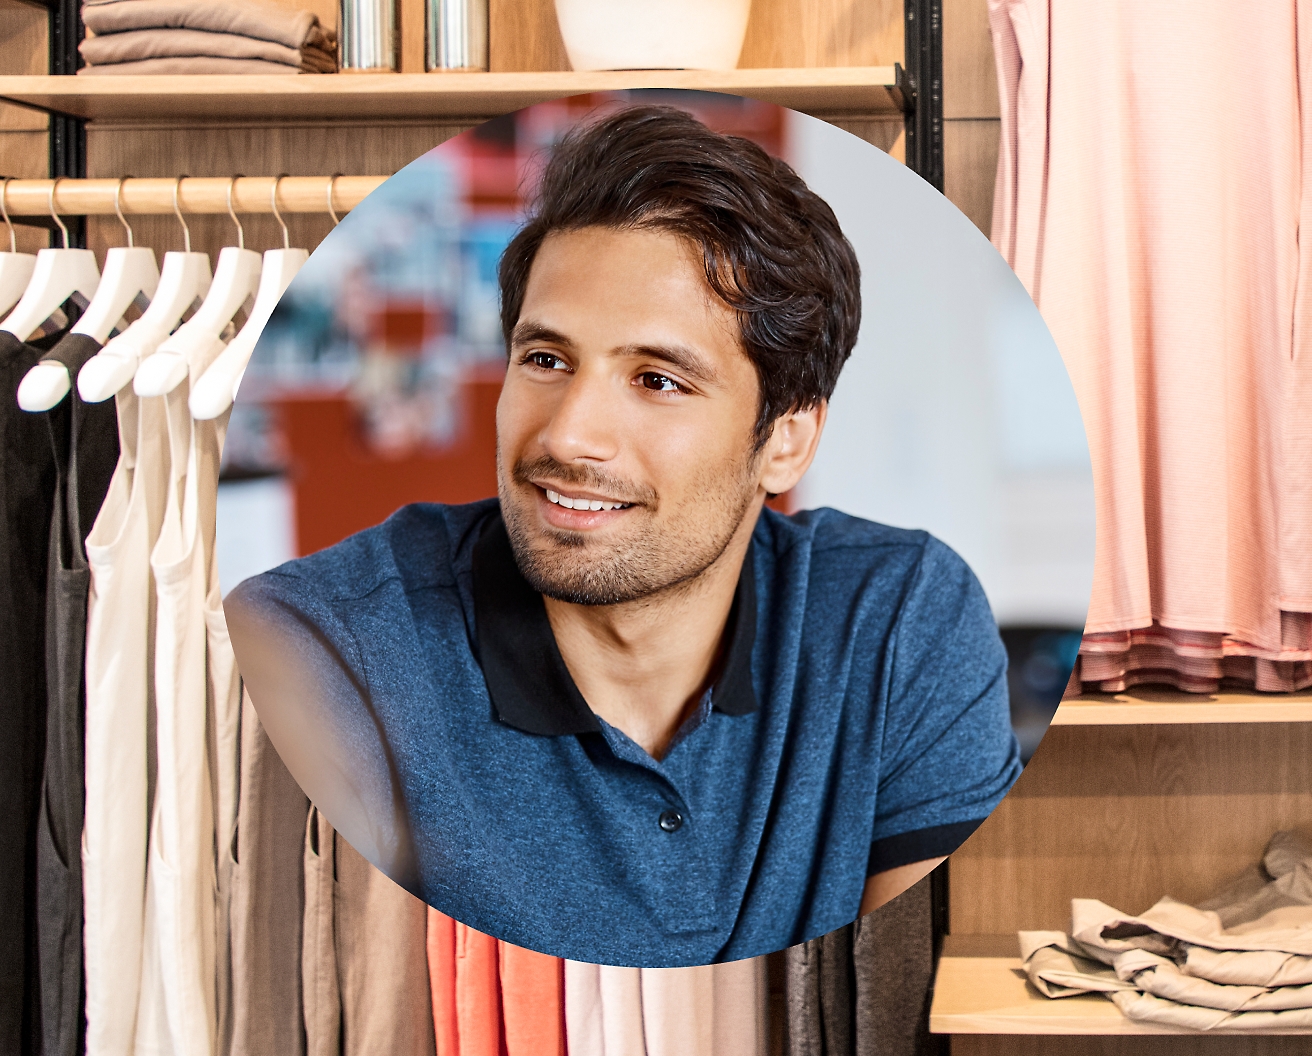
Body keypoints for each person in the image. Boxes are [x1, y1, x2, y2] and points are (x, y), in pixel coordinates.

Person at [225, 104, 1022, 967]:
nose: (569, 436)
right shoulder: (327, 645)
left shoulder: (900, 618)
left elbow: (910, 986)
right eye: (546, 360)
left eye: (656, 379)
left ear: (785, 439)